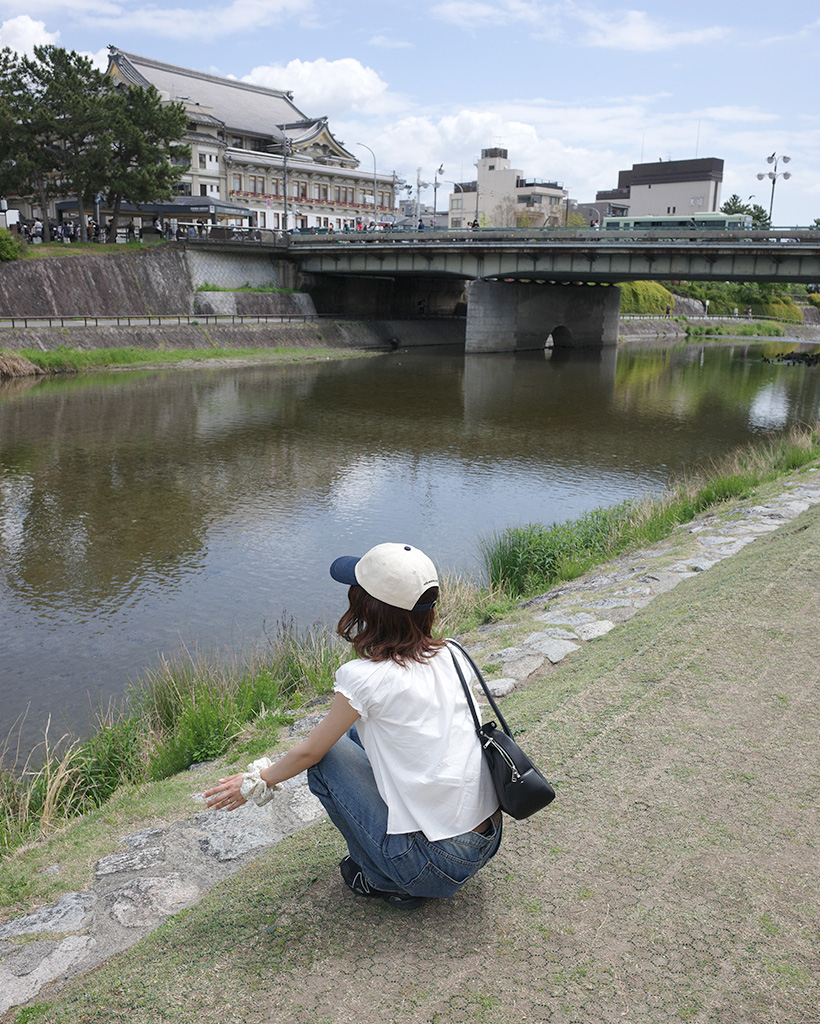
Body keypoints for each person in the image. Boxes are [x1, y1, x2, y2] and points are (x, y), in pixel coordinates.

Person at [205, 542, 502, 910]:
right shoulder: (453, 652)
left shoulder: (363, 677)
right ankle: (402, 856)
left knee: (326, 759)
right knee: (350, 733)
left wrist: (256, 781)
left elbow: (310, 752)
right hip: (487, 839)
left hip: (436, 865)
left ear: (368, 608)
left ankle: (383, 878)